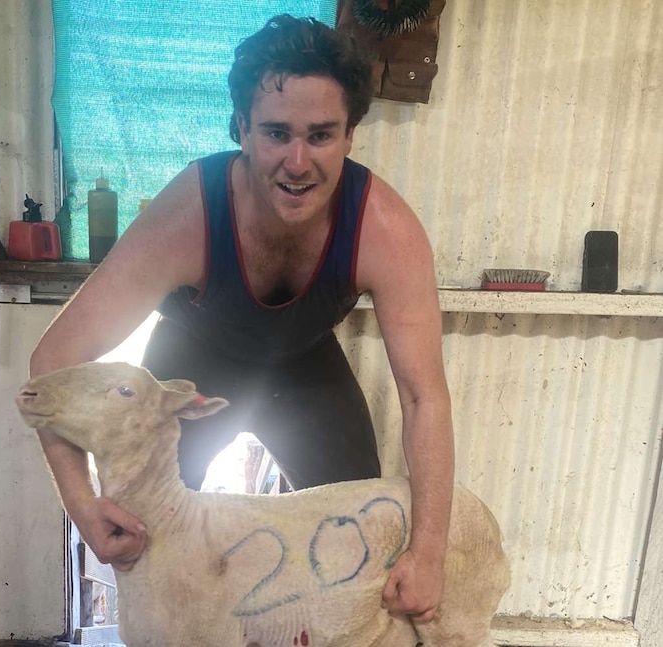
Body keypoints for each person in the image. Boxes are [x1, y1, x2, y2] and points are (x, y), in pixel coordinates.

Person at [30, 14, 454, 622]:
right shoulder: (188, 216)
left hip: (305, 363)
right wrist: (82, 503)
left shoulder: (385, 229)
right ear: (241, 130)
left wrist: (430, 551)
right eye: (277, 133)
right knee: (145, 540)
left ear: (351, 136)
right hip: (194, 359)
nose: (298, 161)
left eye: (322, 135)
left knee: (358, 533)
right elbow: (52, 366)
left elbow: (423, 397)